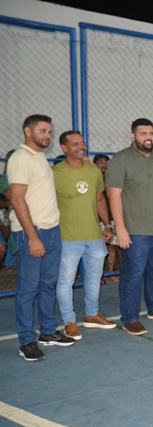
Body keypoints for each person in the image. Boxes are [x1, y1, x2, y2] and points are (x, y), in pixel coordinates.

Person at [9, 115, 75, 361]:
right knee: (28, 288)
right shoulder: (21, 158)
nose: (48, 135)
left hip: (51, 231)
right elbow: (17, 199)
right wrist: (33, 237)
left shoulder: (40, 158)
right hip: (33, 232)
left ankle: (47, 331)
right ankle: (27, 341)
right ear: (28, 131)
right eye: (43, 131)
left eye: (49, 131)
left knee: (47, 284)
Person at [106, 118, 153, 336]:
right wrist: (120, 228)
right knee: (132, 275)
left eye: (151, 133)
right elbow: (113, 195)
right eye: (143, 133)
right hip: (135, 231)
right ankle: (130, 318)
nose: (149, 137)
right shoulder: (120, 160)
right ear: (133, 136)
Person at [54, 130, 116, 340]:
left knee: (94, 278)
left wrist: (107, 225)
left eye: (82, 143)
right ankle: (69, 321)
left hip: (94, 237)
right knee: (66, 281)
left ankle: (91, 314)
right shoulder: (55, 173)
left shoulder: (94, 172)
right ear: (64, 148)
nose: (81, 146)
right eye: (75, 144)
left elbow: (99, 200)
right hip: (68, 238)